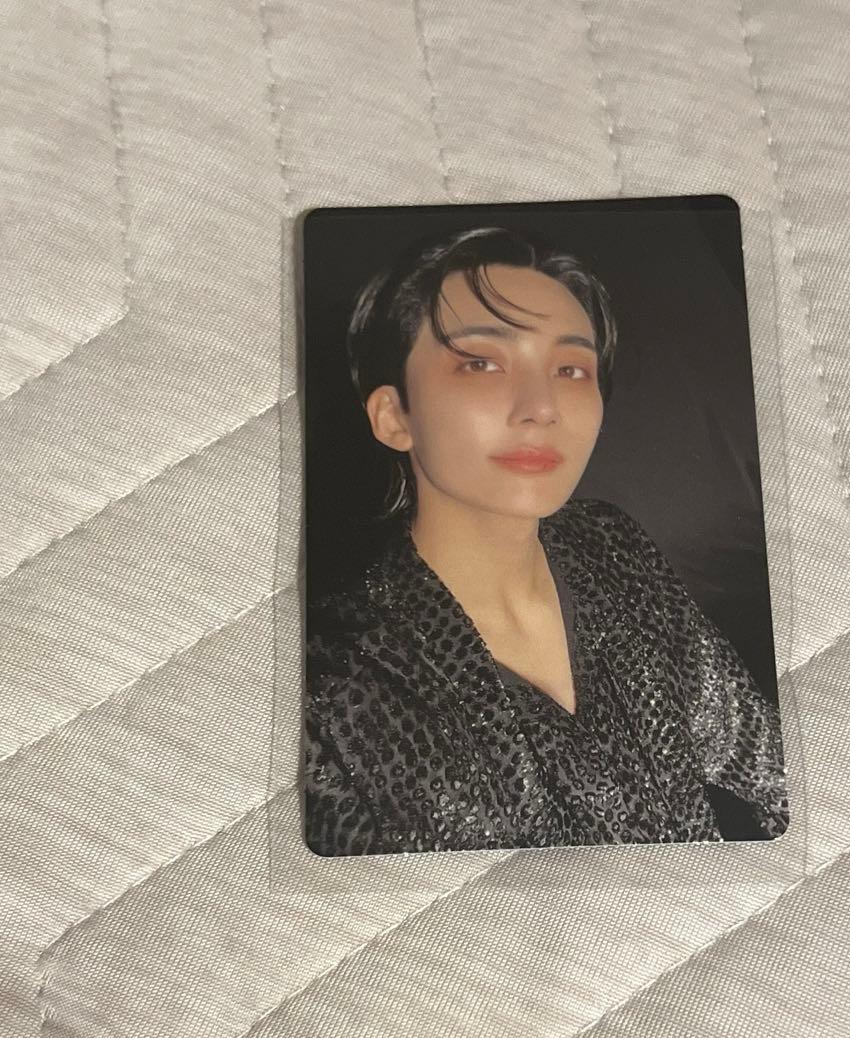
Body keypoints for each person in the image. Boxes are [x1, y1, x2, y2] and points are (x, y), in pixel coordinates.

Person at [304, 224, 789, 856]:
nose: (542, 405)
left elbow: (762, 759)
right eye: (481, 362)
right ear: (394, 416)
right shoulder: (334, 690)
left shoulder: (610, 547)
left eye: (570, 368)